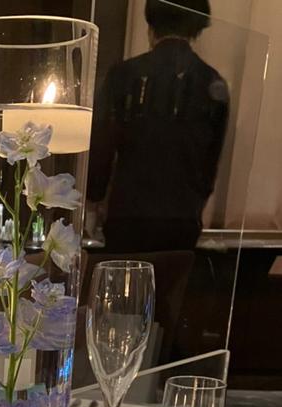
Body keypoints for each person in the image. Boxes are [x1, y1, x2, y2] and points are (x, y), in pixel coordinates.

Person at [87, 0, 229, 251]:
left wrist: (93, 198)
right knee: (172, 275)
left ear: (151, 28)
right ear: (197, 29)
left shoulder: (124, 74)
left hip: (128, 214)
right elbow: (209, 165)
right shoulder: (212, 82)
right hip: (183, 218)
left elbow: (101, 146)